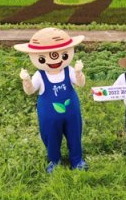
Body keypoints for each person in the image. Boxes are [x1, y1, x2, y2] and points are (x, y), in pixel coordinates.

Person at [15, 27, 87, 173]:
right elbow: (30, 91)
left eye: (61, 55)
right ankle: (54, 161)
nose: (55, 61)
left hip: (71, 114)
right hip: (49, 117)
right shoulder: (40, 75)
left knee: (74, 135)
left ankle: (77, 160)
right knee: (51, 137)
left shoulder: (69, 70)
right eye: (43, 58)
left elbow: (81, 84)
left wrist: (79, 72)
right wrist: (26, 81)